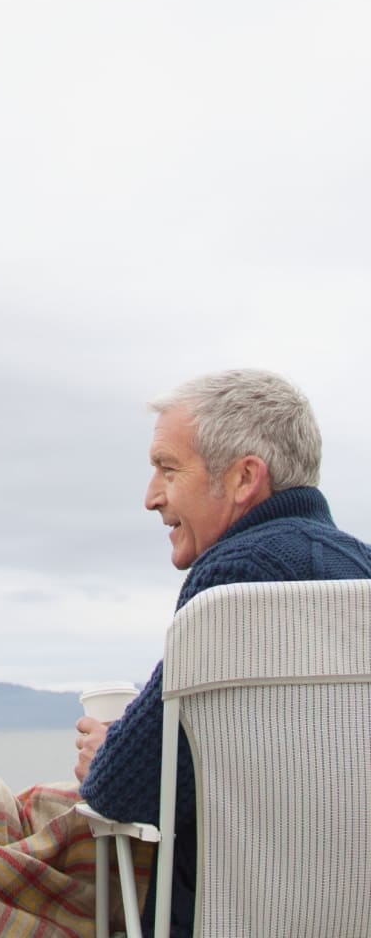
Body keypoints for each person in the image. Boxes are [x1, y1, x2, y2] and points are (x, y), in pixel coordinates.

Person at [76, 369, 371, 937]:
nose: (150, 496)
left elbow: (126, 789)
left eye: (167, 468)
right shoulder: (358, 570)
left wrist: (108, 750)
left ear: (243, 478)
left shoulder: (239, 576)